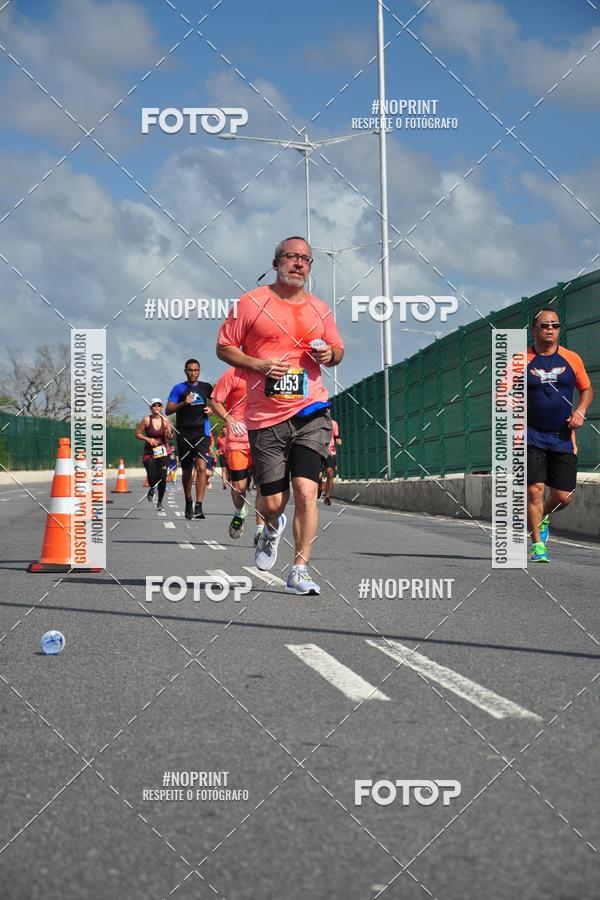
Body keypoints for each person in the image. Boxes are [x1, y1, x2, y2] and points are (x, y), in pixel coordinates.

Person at [216, 236, 344, 594]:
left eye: (306, 259)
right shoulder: (250, 303)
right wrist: (258, 364)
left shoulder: (319, 308)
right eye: (291, 257)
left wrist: (328, 357)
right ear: (276, 263)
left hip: (311, 410)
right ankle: (271, 528)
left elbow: (338, 350)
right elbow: (224, 347)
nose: (299, 263)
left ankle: (299, 569)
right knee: (272, 502)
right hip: (265, 418)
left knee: (306, 489)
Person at [527, 308, 593, 562]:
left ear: (559, 329)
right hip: (530, 435)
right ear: (535, 330)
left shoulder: (571, 358)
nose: (550, 329)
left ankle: (541, 515)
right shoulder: (520, 360)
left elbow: (586, 389)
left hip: (563, 436)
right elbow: (503, 389)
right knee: (534, 490)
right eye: (545, 325)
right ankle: (537, 546)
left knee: (563, 497)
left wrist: (581, 411)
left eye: (554, 325)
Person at [210, 366, 262, 542]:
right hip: (238, 437)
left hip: (263, 437)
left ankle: (260, 529)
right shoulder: (232, 373)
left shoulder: (267, 370)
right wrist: (230, 420)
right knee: (239, 487)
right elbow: (215, 400)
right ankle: (240, 511)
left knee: (263, 485)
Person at [165, 359, 213, 520]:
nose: (193, 373)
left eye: (196, 370)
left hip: (202, 432)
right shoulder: (178, 388)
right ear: (185, 371)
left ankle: (199, 506)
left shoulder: (206, 387)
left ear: (199, 371)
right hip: (184, 433)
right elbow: (168, 410)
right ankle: (188, 500)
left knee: (201, 467)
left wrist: (211, 409)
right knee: (187, 469)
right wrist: (184, 403)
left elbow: (215, 404)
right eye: (190, 370)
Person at [134, 398, 174, 511]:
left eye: (158, 405)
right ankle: (152, 487)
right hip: (149, 452)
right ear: (151, 408)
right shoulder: (146, 420)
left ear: (161, 408)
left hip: (163, 451)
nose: (156, 407)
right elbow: (137, 434)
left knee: (162, 476)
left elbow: (171, 436)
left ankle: (160, 502)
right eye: (154, 405)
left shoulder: (166, 420)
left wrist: (169, 431)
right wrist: (148, 439)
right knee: (152, 476)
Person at [319, 418, 342, 506]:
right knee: (318, 476)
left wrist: (338, 440)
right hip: (319, 452)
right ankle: (320, 487)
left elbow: (337, 437)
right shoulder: (316, 422)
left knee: (330, 474)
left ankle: (327, 497)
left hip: (330, 452)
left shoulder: (333, 423)